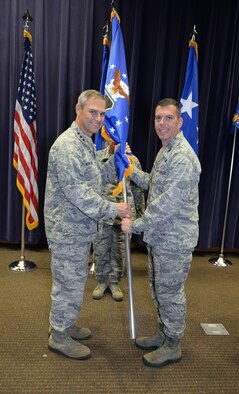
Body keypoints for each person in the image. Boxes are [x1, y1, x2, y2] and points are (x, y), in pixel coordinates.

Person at [44, 90, 131, 360]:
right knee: (68, 282)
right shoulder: (68, 145)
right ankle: (58, 335)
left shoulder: (85, 142)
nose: (98, 118)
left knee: (75, 279)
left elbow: (93, 179)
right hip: (67, 230)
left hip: (78, 229)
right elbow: (78, 193)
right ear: (78, 110)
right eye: (93, 112)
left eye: (102, 113)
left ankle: (65, 325)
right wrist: (114, 209)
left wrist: (114, 156)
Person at [122, 98, 201, 368]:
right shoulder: (166, 150)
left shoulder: (182, 157)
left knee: (170, 293)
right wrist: (133, 170)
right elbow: (155, 185)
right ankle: (163, 333)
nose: (162, 123)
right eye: (158, 118)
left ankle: (173, 344)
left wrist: (135, 225)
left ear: (179, 122)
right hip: (161, 237)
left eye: (168, 118)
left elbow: (166, 205)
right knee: (158, 289)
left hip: (174, 240)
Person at [92, 140, 145, 301]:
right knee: (100, 248)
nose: (114, 142)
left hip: (124, 213)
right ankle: (101, 281)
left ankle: (115, 282)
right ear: (106, 139)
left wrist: (140, 212)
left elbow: (137, 188)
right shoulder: (97, 157)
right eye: (111, 139)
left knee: (120, 249)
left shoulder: (132, 159)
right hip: (103, 210)